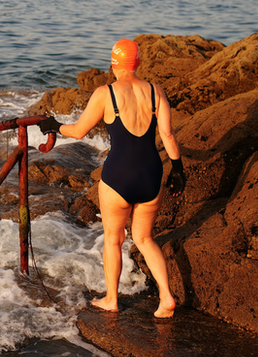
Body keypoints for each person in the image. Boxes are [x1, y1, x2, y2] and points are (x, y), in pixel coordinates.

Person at [38, 38, 186, 318]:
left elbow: (79, 131)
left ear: (113, 63)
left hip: (118, 177)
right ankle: (166, 297)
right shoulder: (155, 91)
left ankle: (111, 299)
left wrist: (54, 126)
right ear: (138, 62)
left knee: (113, 240)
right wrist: (177, 169)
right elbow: (167, 135)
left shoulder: (105, 93)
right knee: (144, 238)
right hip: (152, 174)